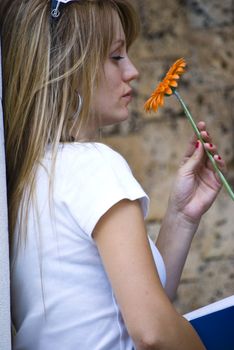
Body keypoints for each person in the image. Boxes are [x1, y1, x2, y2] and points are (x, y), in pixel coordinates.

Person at [1, 0, 226, 349]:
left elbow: (126, 309)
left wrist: (182, 215)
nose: (133, 71)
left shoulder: (28, 179)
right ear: (68, 69)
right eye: (116, 56)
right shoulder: (94, 165)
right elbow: (152, 332)